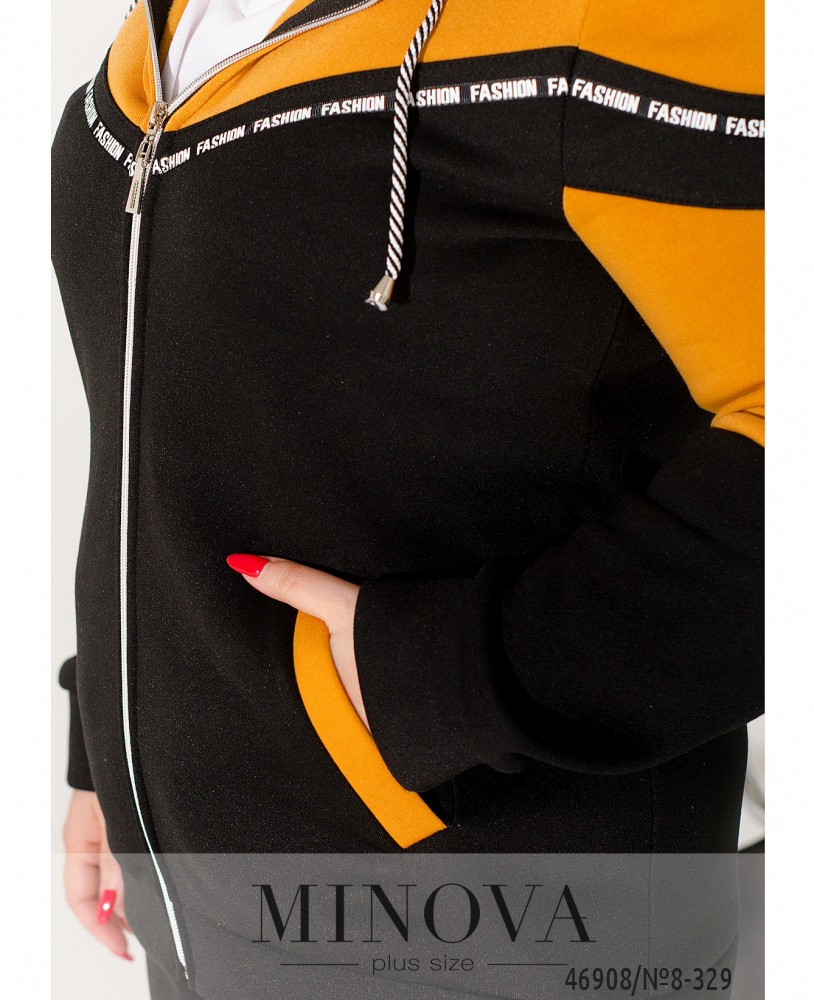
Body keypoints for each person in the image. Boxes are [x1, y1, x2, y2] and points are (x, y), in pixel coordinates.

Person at [53, 0, 764, 996]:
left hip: (498, 926)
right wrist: (112, 746)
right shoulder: (171, 23)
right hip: (210, 909)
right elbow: (183, 421)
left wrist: (453, 678)